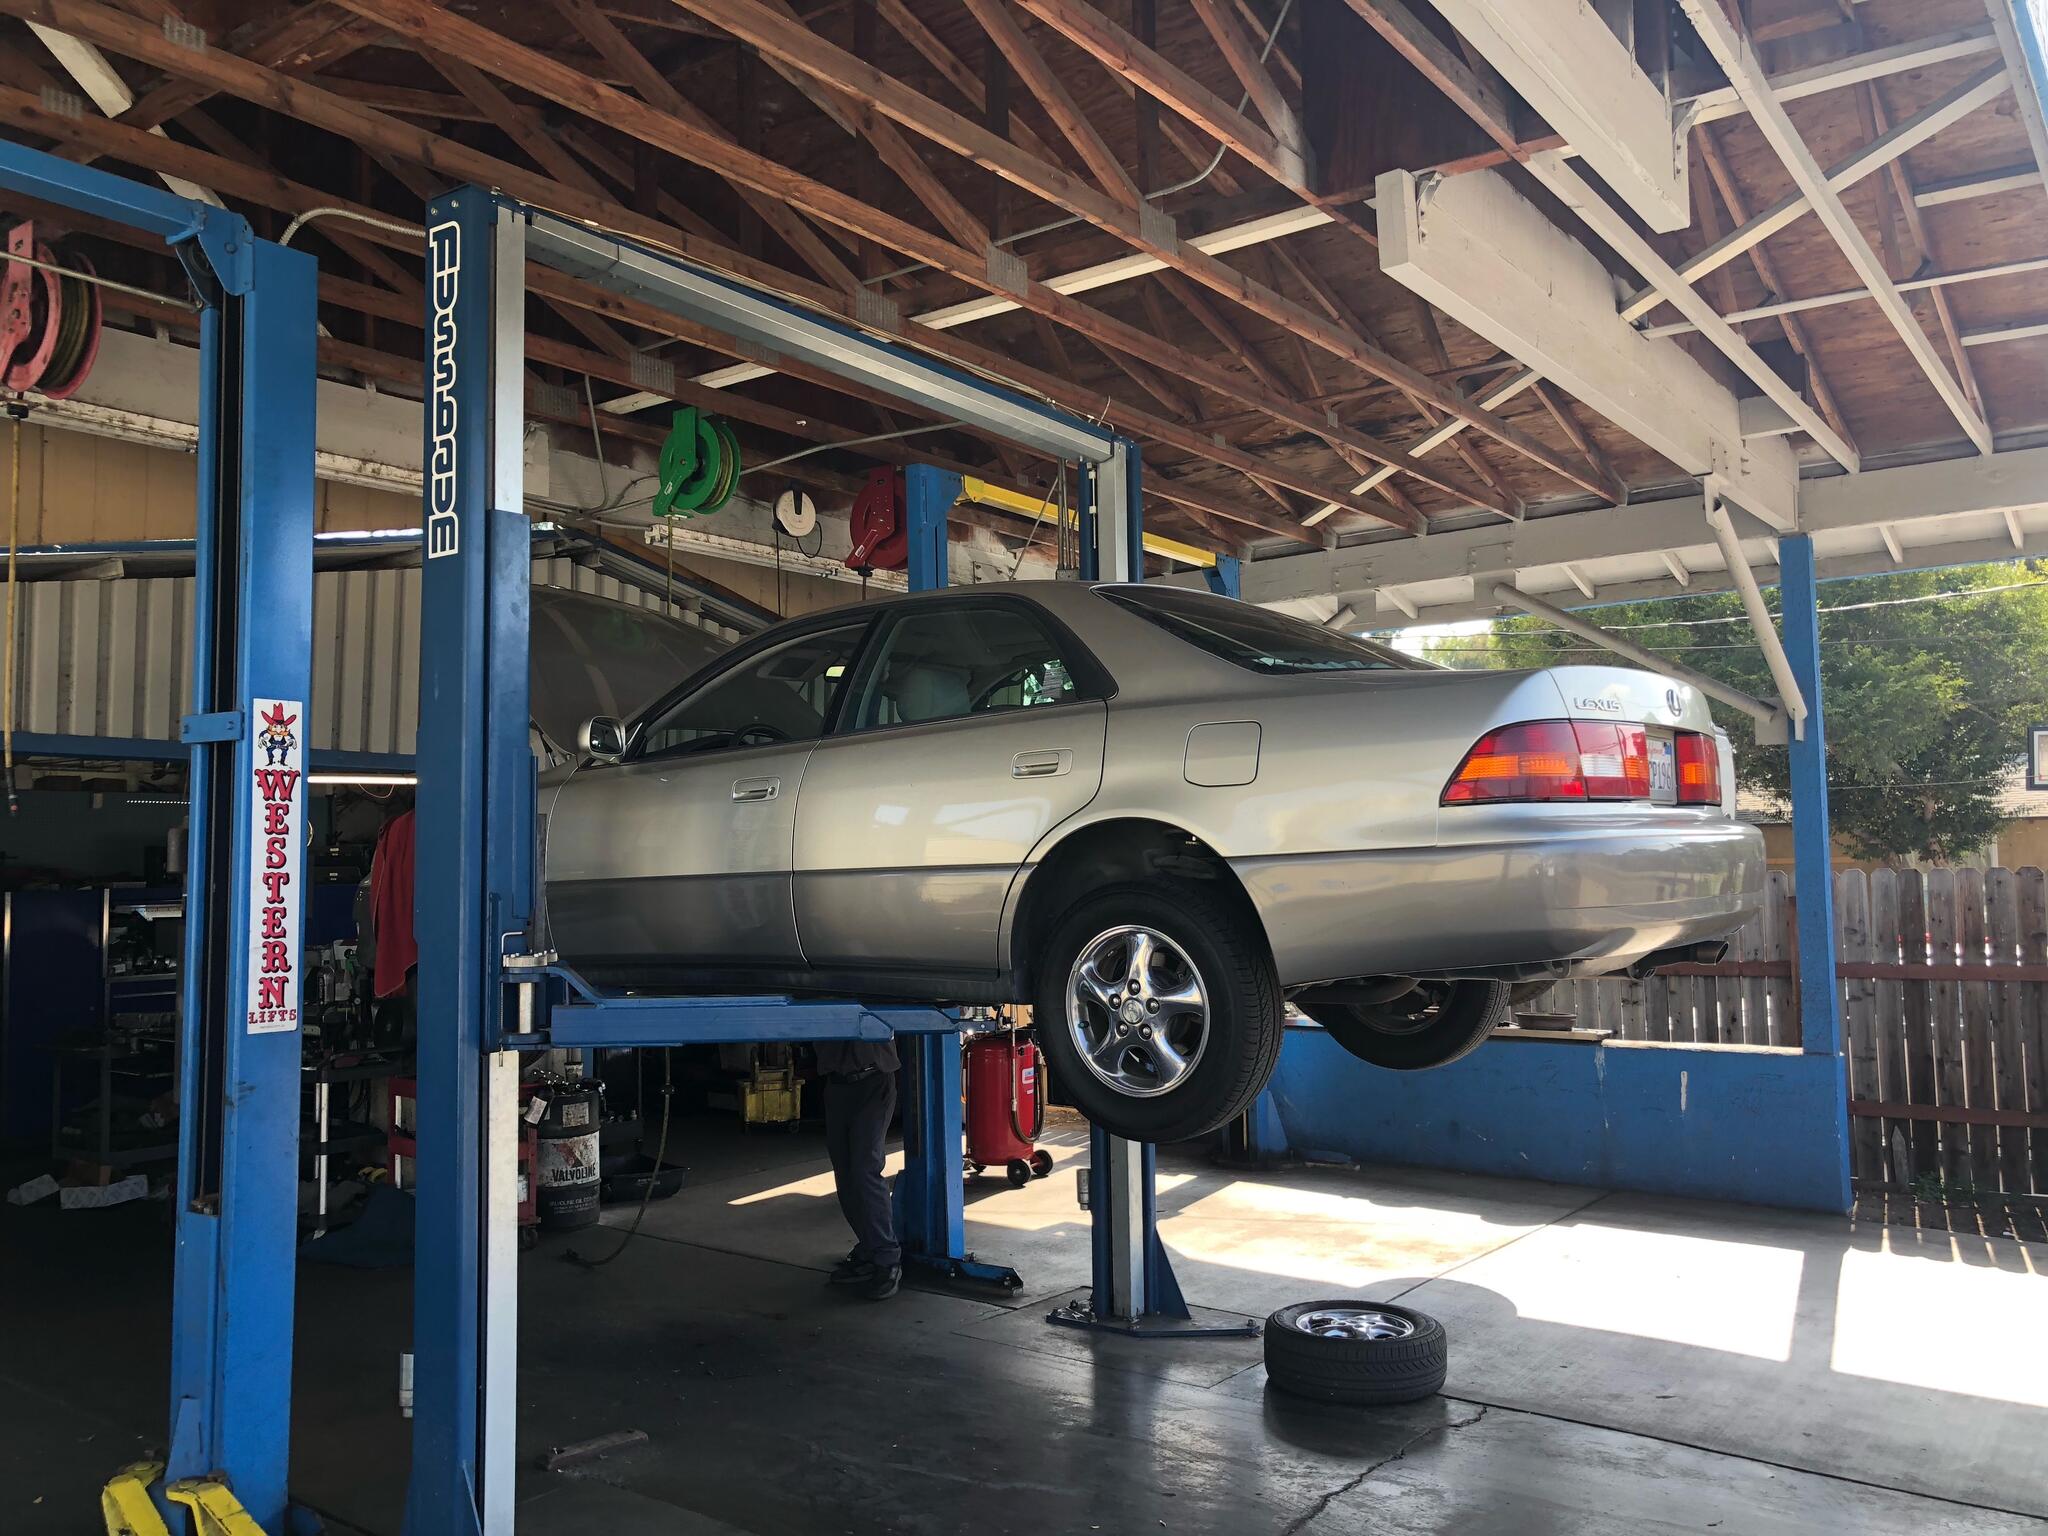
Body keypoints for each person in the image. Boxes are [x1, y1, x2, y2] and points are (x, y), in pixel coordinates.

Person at [815, 1036, 901, 1299]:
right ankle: (868, 1248)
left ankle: (888, 1259)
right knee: (846, 1173)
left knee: (865, 1169)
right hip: (837, 1086)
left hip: (873, 1081)